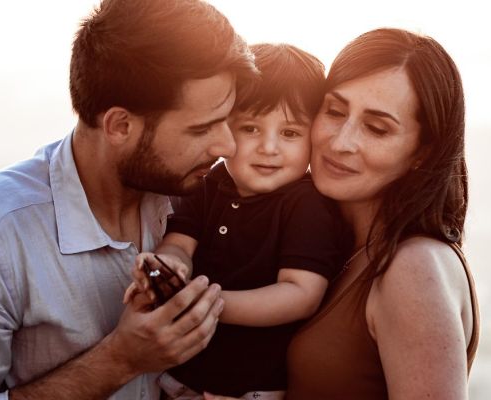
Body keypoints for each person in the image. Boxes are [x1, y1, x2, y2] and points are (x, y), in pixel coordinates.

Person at [0, 0, 257, 399]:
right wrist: (120, 360)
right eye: (202, 129)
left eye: (228, 121)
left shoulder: (197, 198)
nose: (228, 147)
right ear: (120, 125)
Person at [205, 28, 480, 400]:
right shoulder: (322, 241)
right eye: (334, 111)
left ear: (423, 153)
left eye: (377, 128)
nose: (340, 142)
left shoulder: (414, 267)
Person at [126, 44, 344, 399]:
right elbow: (181, 243)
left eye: (289, 133)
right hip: (183, 380)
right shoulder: (211, 183)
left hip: (252, 389)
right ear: (224, 128)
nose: (269, 148)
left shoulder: (307, 205)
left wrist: (210, 304)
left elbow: (301, 294)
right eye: (251, 129)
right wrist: (168, 268)